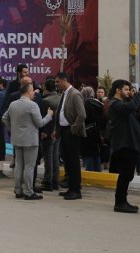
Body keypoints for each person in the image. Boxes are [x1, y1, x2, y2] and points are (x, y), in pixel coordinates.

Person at [2, 81, 54, 199]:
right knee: (29, 167)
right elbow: (40, 123)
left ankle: (18, 190)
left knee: (19, 165)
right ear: (28, 91)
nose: (34, 93)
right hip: (30, 140)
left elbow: (4, 118)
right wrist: (49, 115)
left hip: (17, 139)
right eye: (32, 91)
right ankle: (29, 191)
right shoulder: (32, 105)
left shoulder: (13, 104)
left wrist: (12, 129)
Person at [108, 79, 140, 213]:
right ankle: (120, 203)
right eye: (126, 90)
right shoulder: (114, 104)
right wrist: (137, 96)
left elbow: (132, 114)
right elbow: (129, 108)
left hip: (131, 144)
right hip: (124, 145)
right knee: (125, 174)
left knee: (128, 175)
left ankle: (123, 201)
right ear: (118, 90)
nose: (129, 92)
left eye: (129, 90)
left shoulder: (123, 104)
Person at [54, 72, 86, 200]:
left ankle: (76, 190)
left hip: (71, 132)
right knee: (68, 162)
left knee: (73, 162)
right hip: (63, 130)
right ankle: (70, 188)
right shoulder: (65, 93)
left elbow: (82, 114)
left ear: (64, 80)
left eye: (57, 82)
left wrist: (74, 128)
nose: (56, 84)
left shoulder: (75, 94)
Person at [39, 78, 61, 191]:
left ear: (45, 88)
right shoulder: (60, 99)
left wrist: (44, 132)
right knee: (55, 156)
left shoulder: (45, 101)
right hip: (58, 131)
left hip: (48, 131)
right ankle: (55, 180)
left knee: (48, 156)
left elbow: (44, 117)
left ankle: (48, 181)